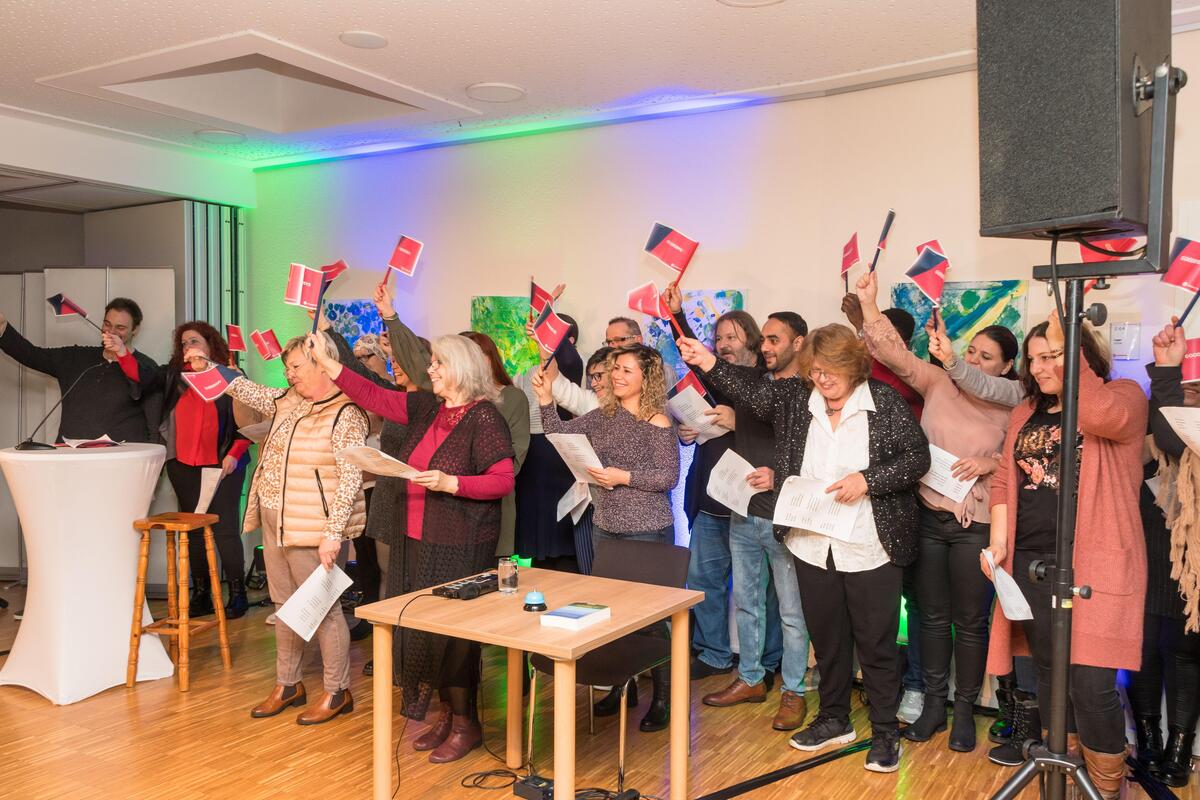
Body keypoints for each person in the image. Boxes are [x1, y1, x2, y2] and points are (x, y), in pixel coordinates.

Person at [680, 323, 930, 773]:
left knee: (875, 645)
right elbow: (750, 391)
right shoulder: (798, 399)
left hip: (868, 544)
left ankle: (884, 732)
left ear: (854, 367)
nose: (823, 379)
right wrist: (708, 361)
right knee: (829, 641)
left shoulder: (884, 402)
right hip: (813, 542)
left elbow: (917, 458)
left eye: (832, 370)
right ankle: (834, 719)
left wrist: (867, 480)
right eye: (816, 370)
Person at [307, 330, 515, 763]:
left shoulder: (485, 418)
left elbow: (502, 481)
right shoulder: (427, 407)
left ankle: (466, 723)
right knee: (425, 630)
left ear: (461, 369)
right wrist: (328, 365)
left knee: (453, 639)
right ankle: (447, 714)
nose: (431, 369)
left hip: (460, 543)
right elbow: (373, 394)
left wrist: (451, 483)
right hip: (416, 539)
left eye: (438, 363)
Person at [981, 313, 1147, 800]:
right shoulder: (1024, 413)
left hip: (1095, 565)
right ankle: (1063, 778)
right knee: (1051, 677)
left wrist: (1065, 338)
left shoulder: (1124, 396)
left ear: (1080, 355)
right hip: (1032, 564)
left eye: (1052, 355)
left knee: (1090, 683)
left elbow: (1099, 414)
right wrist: (999, 543)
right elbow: (1005, 480)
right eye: (1034, 359)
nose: (1039, 367)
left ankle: (1106, 787)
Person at [855, 271, 1014, 752]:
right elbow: (893, 354)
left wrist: (990, 463)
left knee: (970, 622)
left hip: (975, 523)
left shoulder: (1014, 401)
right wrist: (869, 304)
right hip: (927, 514)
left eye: (987, 357)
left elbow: (1022, 460)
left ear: (1007, 367)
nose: (974, 361)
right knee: (929, 617)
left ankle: (965, 710)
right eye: (972, 351)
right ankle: (933, 705)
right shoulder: (939, 382)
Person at [213, 334, 368, 726]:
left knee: (324, 611)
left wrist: (333, 533)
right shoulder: (288, 400)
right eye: (287, 368)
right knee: (284, 606)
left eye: (296, 366)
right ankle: (288, 684)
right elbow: (252, 391)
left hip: (315, 529)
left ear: (322, 363)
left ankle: (337, 690)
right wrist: (212, 368)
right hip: (276, 522)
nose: (289, 374)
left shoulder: (346, 412)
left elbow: (351, 478)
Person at [531, 344, 679, 732]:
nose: (616, 376)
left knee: (650, 619)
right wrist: (545, 399)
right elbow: (558, 434)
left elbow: (668, 477)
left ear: (646, 378)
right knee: (612, 614)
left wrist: (621, 477)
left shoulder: (658, 421)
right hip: (606, 527)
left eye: (626, 370)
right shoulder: (602, 415)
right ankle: (620, 686)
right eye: (615, 369)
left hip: (646, 530)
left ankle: (662, 697)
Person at [694, 311, 811, 734]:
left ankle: (794, 690)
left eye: (775, 339)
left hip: (785, 516)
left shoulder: (807, 390)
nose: (766, 346)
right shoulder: (756, 382)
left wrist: (782, 475)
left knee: (792, 612)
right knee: (746, 602)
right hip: (743, 510)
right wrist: (678, 319)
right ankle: (750, 679)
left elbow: (817, 451)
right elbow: (716, 372)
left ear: (799, 343)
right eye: (764, 339)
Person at [662, 285, 777, 684]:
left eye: (732, 337)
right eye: (719, 338)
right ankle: (713, 653)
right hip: (710, 503)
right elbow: (689, 352)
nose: (724, 345)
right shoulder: (710, 380)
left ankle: (769, 661)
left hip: (754, 504)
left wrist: (737, 420)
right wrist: (686, 432)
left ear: (753, 341)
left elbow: (783, 434)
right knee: (703, 581)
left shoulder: (769, 383)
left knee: (762, 591)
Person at [841, 293, 928, 723]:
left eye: (876, 337)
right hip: (860, 508)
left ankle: (914, 686)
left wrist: (863, 324)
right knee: (871, 609)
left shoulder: (907, 378)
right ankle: (876, 682)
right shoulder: (866, 374)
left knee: (912, 605)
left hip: (908, 504)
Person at [1129, 319, 1200, 787]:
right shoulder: (1147, 428)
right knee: (1142, 650)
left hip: (1189, 564)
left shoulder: (1185, 432)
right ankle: (1148, 739)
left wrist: (1168, 374)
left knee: (1184, 652)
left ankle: (1180, 746)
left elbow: (1177, 439)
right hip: (1145, 554)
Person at [154, 321, 252, 619]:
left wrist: (234, 454)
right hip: (183, 464)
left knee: (225, 529)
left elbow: (249, 422)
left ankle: (238, 593)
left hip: (224, 464)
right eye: (184, 343)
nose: (189, 348)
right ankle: (201, 594)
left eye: (194, 341)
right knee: (194, 531)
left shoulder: (230, 375)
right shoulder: (175, 377)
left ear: (210, 345)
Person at [0, 297, 160, 442]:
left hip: (120, 459)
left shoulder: (147, 368)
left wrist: (154, 462)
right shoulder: (76, 357)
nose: (111, 332)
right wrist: (3, 329)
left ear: (135, 330)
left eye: (120, 327)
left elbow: (154, 426)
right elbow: (32, 355)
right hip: (70, 457)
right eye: (107, 324)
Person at [460, 331, 531, 558]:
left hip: (494, 503)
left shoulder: (512, 397)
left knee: (493, 573)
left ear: (490, 359)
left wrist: (476, 481)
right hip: (452, 504)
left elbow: (517, 455)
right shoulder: (448, 400)